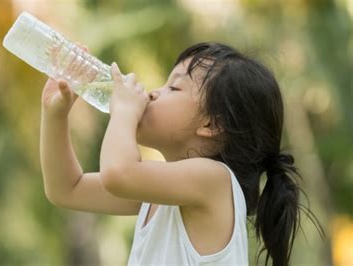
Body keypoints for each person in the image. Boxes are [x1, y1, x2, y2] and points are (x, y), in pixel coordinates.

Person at [40, 42, 323, 266]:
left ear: (212, 124)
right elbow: (67, 189)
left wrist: (124, 111)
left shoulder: (214, 181)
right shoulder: (160, 193)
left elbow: (118, 174)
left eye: (173, 88)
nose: (152, 94)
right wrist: (55, 115)